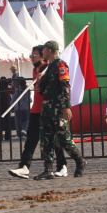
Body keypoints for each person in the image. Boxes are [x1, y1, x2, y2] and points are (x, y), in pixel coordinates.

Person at [9, 45, 68, 178]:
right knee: (31, 138)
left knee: (54, 138)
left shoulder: (49, 68)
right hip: (36, 109)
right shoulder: (36, 70)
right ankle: (24, 166)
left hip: (48, 108)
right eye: (31, 55)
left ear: (43, 56)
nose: (32, 57)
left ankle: (62, 165)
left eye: (35, 55)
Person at [32, 41, 87, 179]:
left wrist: (67, 106)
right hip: (47, 107)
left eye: (43, 49)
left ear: (49, 50)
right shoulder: (49, 67)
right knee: (46, 138)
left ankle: (80, 161)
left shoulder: (60, 65)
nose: (42, 52)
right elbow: (43, 90)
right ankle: (48, 169)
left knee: (63, 138)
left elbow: (65, 85)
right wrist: (40, 81)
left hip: (58, 108)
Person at [10, 64, 30, 139]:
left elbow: (14, 98)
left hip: (17, 107)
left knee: (17, 121)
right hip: (25, 106)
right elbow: (29, 98)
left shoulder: (17, 89)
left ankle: (18, 134)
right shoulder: (27, 89)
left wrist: (11, 105)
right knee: (26, 119)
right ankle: (24, 130)